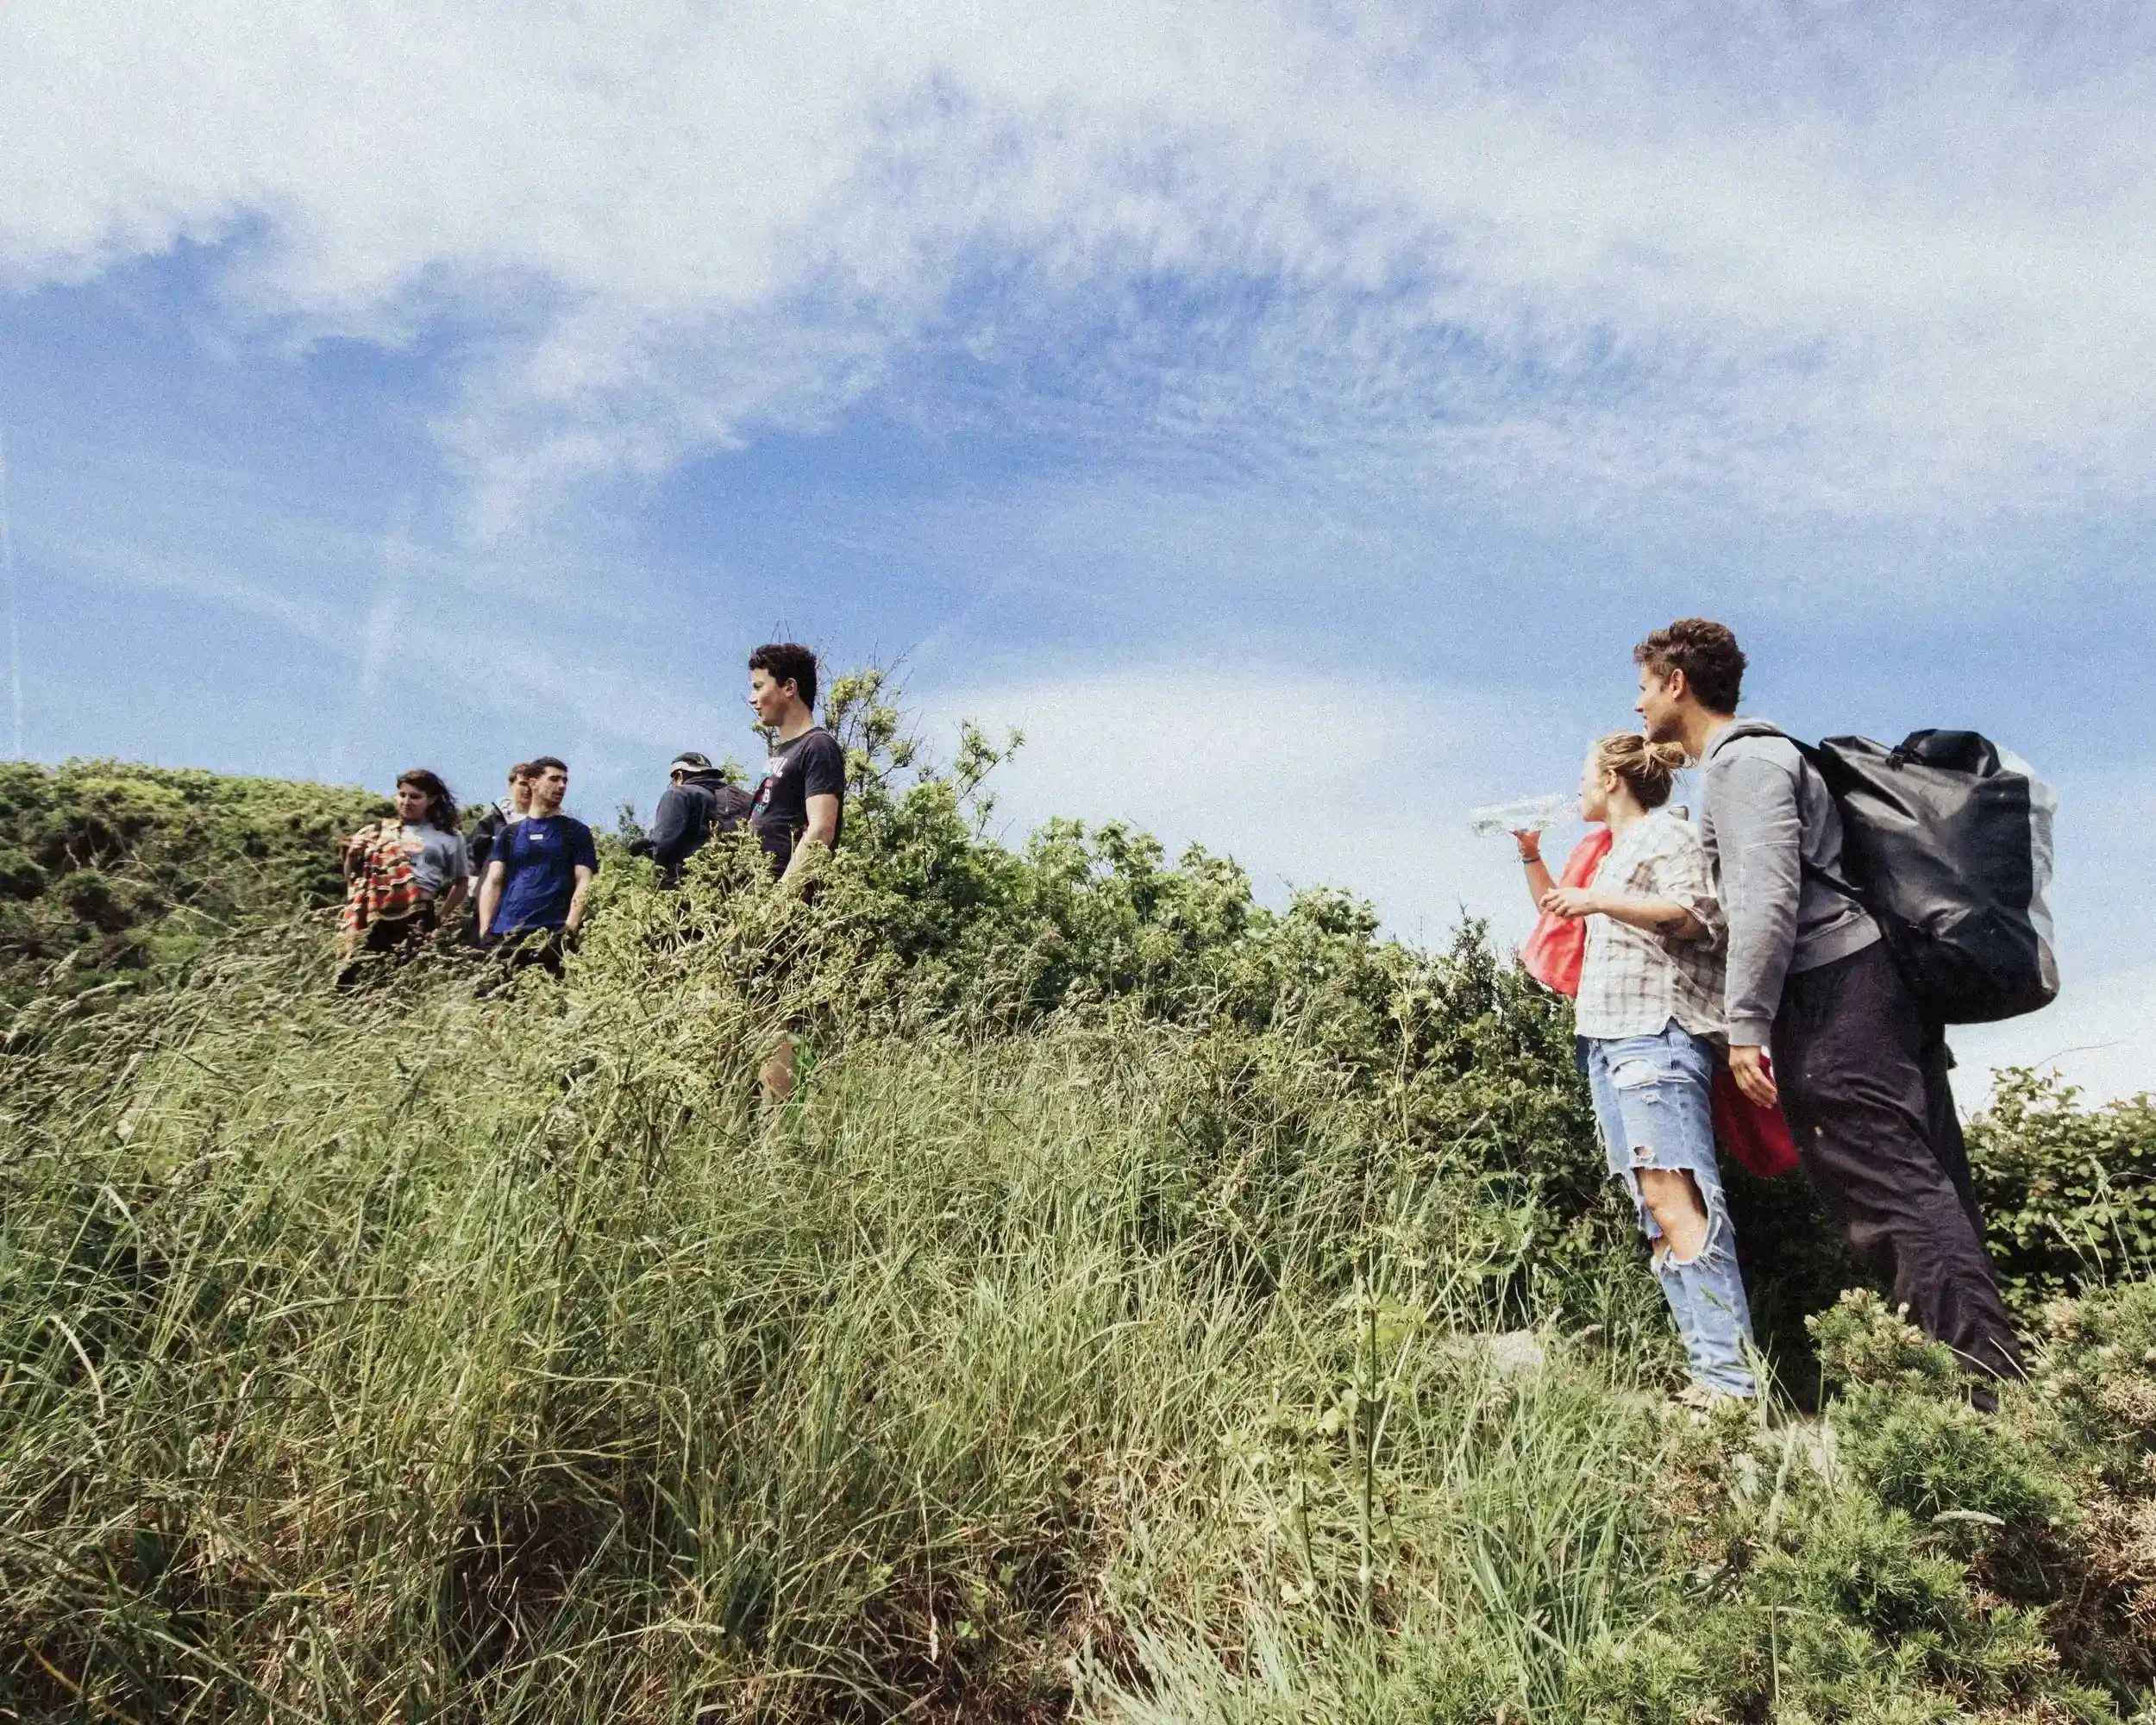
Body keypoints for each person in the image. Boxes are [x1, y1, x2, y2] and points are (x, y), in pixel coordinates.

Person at [1633, 618, 2023, 1386]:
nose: (1640, 706)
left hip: (1833, 996)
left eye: (1644, 689)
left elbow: (1767, 899)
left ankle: (1988, 1403)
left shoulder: (1742, 765)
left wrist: (1747, 1026)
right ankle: (1999, 1387)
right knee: (1927, 1183)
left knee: (1894, 1196)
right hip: (1874, 991)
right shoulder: (1773, 756)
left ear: (1677, 683)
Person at [1518, 732, 1757, 1401]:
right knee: (1654, 1208)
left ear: (1614, 780)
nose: (1579, 792)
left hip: (1656, 1033)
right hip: (1606, 1038)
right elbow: (1555, 909)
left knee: (1678, 1199)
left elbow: (1696, 916)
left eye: (1585, 777)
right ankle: (1708, 1374)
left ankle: (1729, 1384)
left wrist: (1598, 901)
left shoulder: (1666, 836)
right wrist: (1532, 854)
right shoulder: (1609, 855)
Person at [745, 644, 844, 1101]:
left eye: (758, 686)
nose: (752, 698)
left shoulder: (818, 746)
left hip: (786, 907)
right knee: (749, 1014)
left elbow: (821, 828)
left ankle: (772, 1141)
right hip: (757, 899)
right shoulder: (779, 753)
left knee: (778, 1019)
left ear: (789, 687)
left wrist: (780, 898)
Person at [337, 769, 470, 975]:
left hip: (417, 911)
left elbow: (461, 881)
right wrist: (353, 856)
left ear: (431, 800)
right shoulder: (377, 831)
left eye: (415, 797)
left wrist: (442, 915)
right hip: (375, 911)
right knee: (358, 973)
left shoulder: (448, 837)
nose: (406, 802)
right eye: (402, 795)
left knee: (404, 974)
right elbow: (351, 879)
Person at [476, 756, 597, 977]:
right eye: (554, 779)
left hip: (552, 933)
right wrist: (485, 930)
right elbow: (492, 882)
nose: (561, 786)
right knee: (494, 1007)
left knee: (546, 1006)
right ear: (533, 783)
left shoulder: (576, 831)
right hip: (505, 934)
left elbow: (585, 881)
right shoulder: (510, 833)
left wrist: (570, 927)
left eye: (565, 781)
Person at [636, 751, 752, 885]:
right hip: (735, 883)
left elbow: (663, 847)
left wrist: (648, 847)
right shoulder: (741, 798)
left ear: (679, 776)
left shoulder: (677, 794)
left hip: (689, 885)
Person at [466, 762, 532, 892]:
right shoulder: (494, 819)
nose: (527, 790)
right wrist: (474, 885)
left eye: (531, 785)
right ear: (511, 785)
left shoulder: (546, 822)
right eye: (523, 783)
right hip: (490, 894)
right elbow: (471, 853)